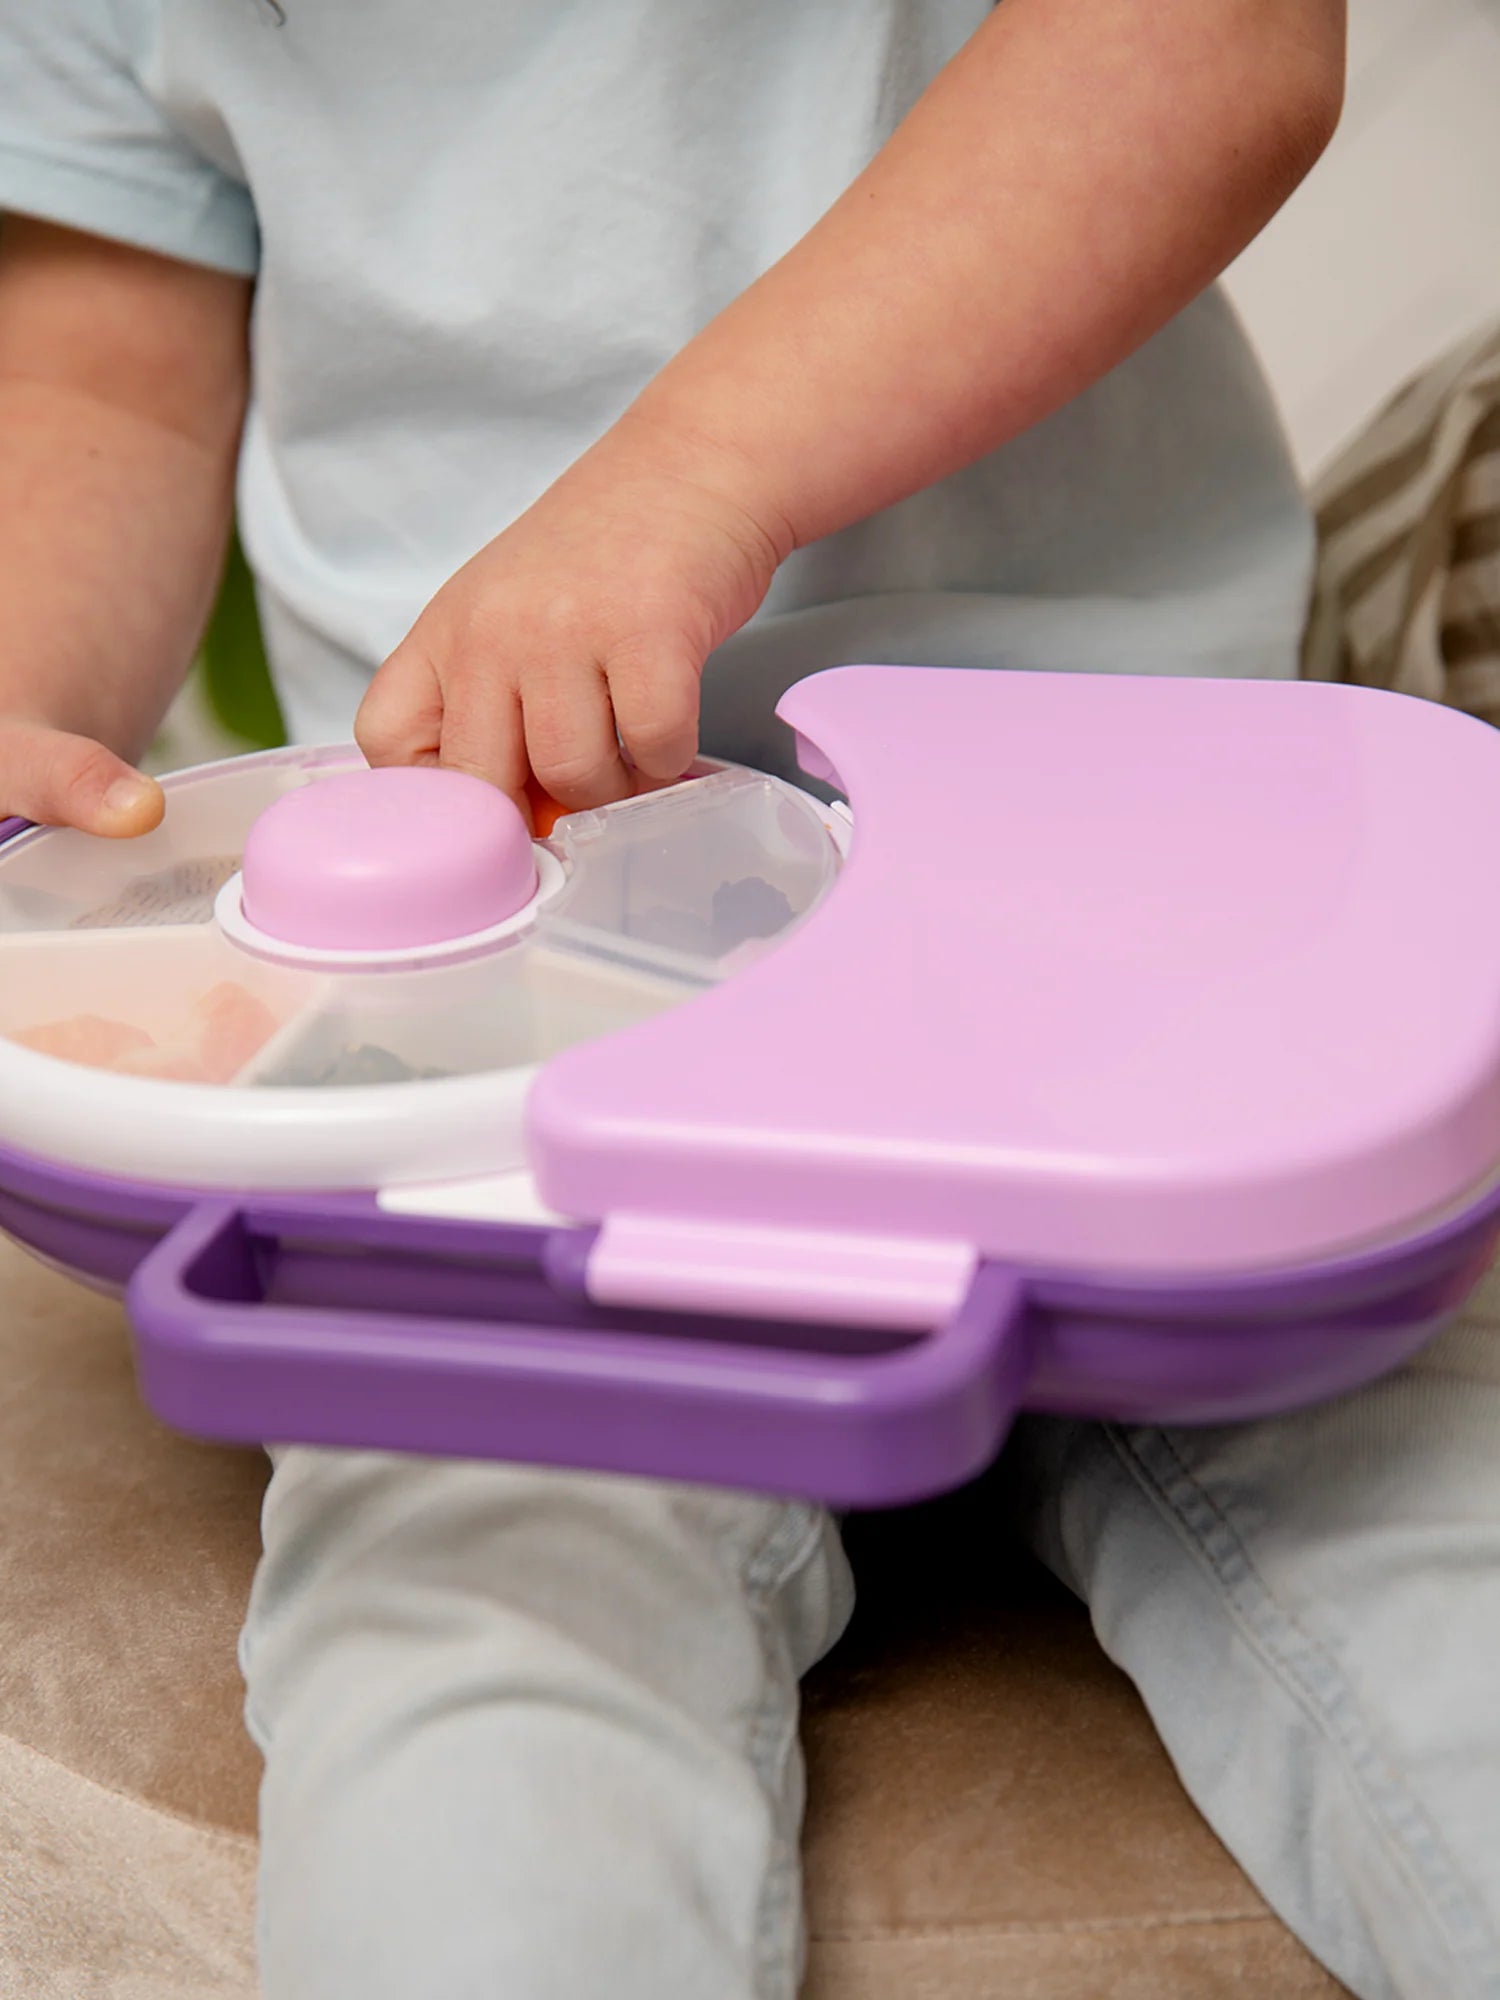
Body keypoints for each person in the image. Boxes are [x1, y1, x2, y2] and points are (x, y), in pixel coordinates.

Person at [9, 8, 1487, 2000]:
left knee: (1433, 1556)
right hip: (498, 995)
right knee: (479, 1620)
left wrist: (694, 474)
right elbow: (100, 385)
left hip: (1121, 889)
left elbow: (1202, 46)